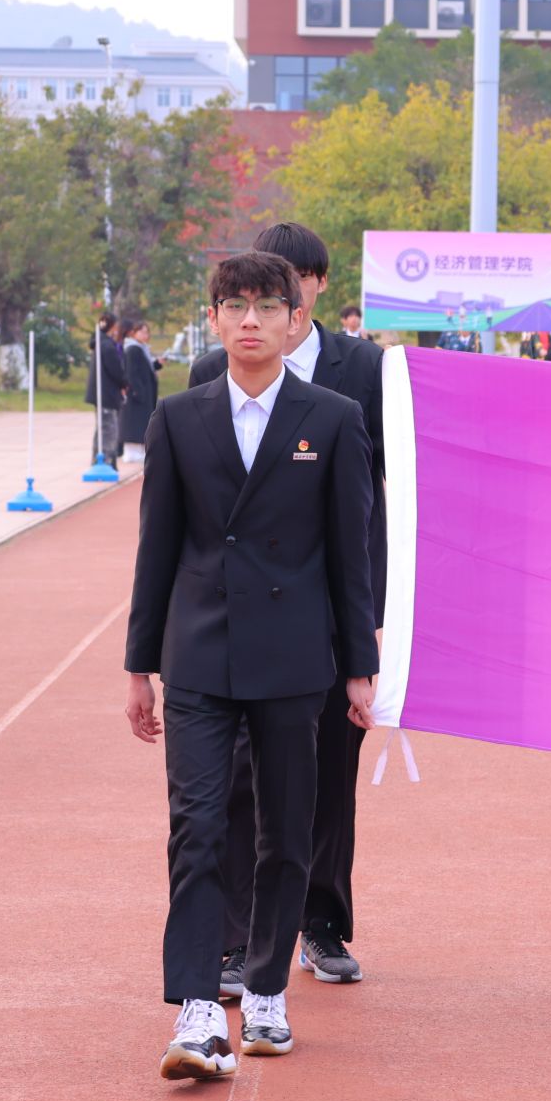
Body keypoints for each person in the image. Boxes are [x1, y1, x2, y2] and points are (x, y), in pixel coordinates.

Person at [124, 249, 378, 1081]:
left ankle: (265, 987)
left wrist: (359, 664)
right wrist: (139, 665)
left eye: (268, 306)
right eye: (234, 305)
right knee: (197, 827)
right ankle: (199, 1009)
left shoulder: (333, 418)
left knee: (286, 832)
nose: (250, 321)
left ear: (296, 318)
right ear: (213, 318)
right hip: (198, 654)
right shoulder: (178, 417)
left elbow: (350, 556)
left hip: (294, 656)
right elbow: (157, 547)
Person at [190, 222, 387, 994]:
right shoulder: (213, 368)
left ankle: (322, 922)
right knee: (242, 776)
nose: (277, 298)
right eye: (262, 286)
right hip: (239, 611)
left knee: (330, 768)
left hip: (332, 605)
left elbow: (390, 482)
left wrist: (374, 606)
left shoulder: (362, 368)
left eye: (295, 279)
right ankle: (237, 938)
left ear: (315, 287)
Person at [86, 311, 128, 468]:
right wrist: (124, 383)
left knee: (102, 428)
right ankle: (106, 462)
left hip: (102, 392)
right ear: (112, 327)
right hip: (106, 393)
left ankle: (98, 460)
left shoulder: (100, 342)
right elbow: (115, 370)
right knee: (108, 429)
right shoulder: (106, 345)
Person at [120, 316, 162, 464]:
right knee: (135, 423)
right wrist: (138, 391)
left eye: (147, 332)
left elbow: (145, 369)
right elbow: (132, 373)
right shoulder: (133, 349)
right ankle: (132, 452)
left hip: (143, 392)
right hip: (137, 393)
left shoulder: (141, 348)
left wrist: (157, 364)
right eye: (142, 332)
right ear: (134, 333)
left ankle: (138, 451)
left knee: (142, 421)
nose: (145, 335)